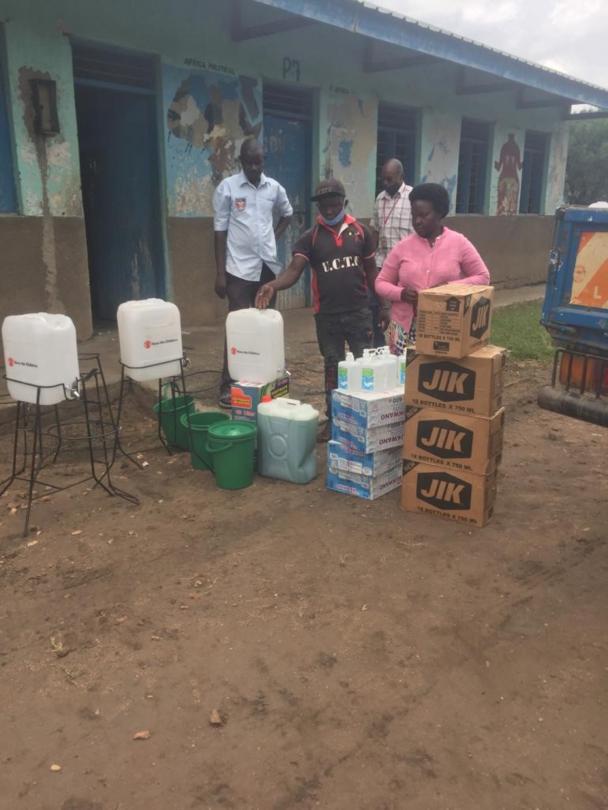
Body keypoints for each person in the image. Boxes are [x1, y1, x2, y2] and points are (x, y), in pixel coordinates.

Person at [255, 178, 378, 440]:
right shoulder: (309, 238)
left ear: (343, 202)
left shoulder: (362, 233)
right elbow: (293, 271)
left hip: (359, 313)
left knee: (364, 368)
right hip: (327, 318)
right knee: (332, 368)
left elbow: (371, 272)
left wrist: (385, 305)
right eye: (324, 205)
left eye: (334, 203)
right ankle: (333, 421)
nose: (330, 209)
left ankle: (365, 421)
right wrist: (273, 285)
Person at [213, 139, 293, 407]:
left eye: (259, 162)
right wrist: (220, 273)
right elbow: (220, 230)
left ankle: (264, 380)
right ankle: (229, 384)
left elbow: (287, 214)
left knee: (265, 323)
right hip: (237, 269)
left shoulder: (275, 189)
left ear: (263, 161)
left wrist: (274, 235)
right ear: (241, 161)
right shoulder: (228, 188)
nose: (255, 167)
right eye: (249, 162)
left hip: (267, 268)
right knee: (237, 326)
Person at [375, 183, 490, 355]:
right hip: (401, 326)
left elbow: (483, 277)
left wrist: (448, 288)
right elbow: (380, 283)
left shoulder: (458, 243)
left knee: (433, 373)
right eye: (413, 215)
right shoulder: (403, 247)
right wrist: (401, 293)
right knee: (399, 374)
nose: (417, 221)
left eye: (423, 215)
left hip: (445, 326)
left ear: (439, 213)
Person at [369, 158, 413, 346]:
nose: (386, 184)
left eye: (390, 179)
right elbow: (375, 230)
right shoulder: (380, 198)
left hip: (404, 267)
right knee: (376, 308)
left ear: (401, 177)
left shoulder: (413, 197)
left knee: (399, 312)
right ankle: (378, 348)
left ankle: (398, 349)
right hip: (382, 265)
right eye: (383, 180)